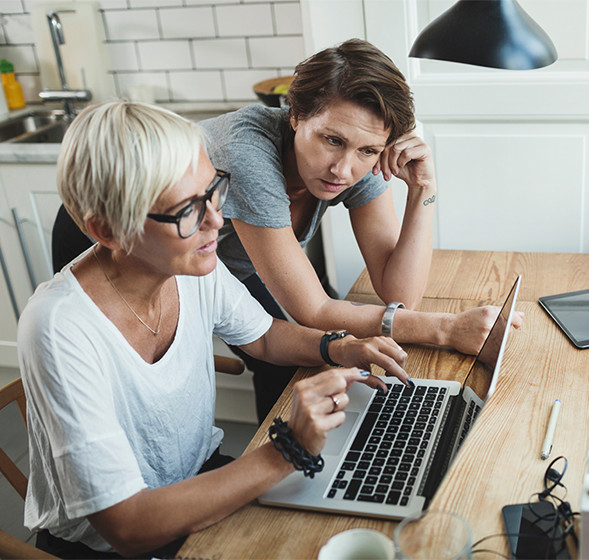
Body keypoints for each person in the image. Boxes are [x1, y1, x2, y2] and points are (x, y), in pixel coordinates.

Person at [18, 101, 412, 559]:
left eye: (213, 192)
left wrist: (340, 347)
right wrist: (287, 450)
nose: (216, 221)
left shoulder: (188, 264)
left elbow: (263, 336)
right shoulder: (59, 327)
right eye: (186, 210)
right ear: (106, 229)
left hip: (202, 479)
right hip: (118, 545)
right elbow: (128, 526)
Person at [198, 38, 522, 421]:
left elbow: (399, 294)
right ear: (295, 115)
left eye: (367, 151)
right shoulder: (247, 154)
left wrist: (423, 190)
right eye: (332, 140)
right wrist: (447, 330)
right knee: (297, 366)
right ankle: (276, 463)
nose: (343, 170)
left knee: (350, 344)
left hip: (257, 262)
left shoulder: (362, 157)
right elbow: (313, 309)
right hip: (188, 270)